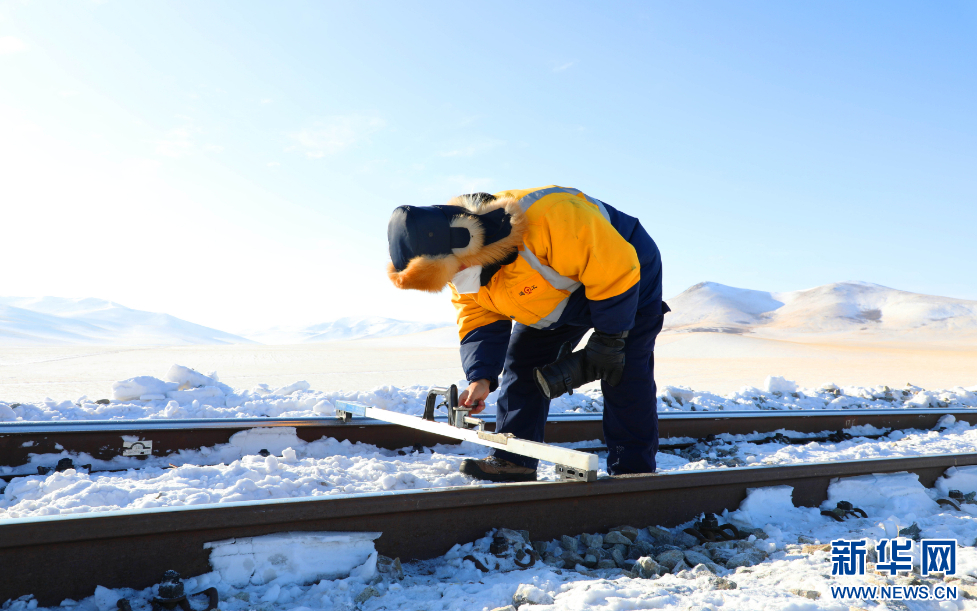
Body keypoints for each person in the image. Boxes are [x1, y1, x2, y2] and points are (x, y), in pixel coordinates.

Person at [386, 186, 668, 482]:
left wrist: (610, 340)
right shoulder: (458, 270)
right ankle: (513, 461)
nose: (454, 280)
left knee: (622, 369)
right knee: (522, 364)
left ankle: (633, 472)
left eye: (454, 270)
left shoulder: (551, 216)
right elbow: (478, 318)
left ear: (466, 240)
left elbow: (615, 267)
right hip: (556, 295)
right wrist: (480, 377)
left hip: (628, 275)